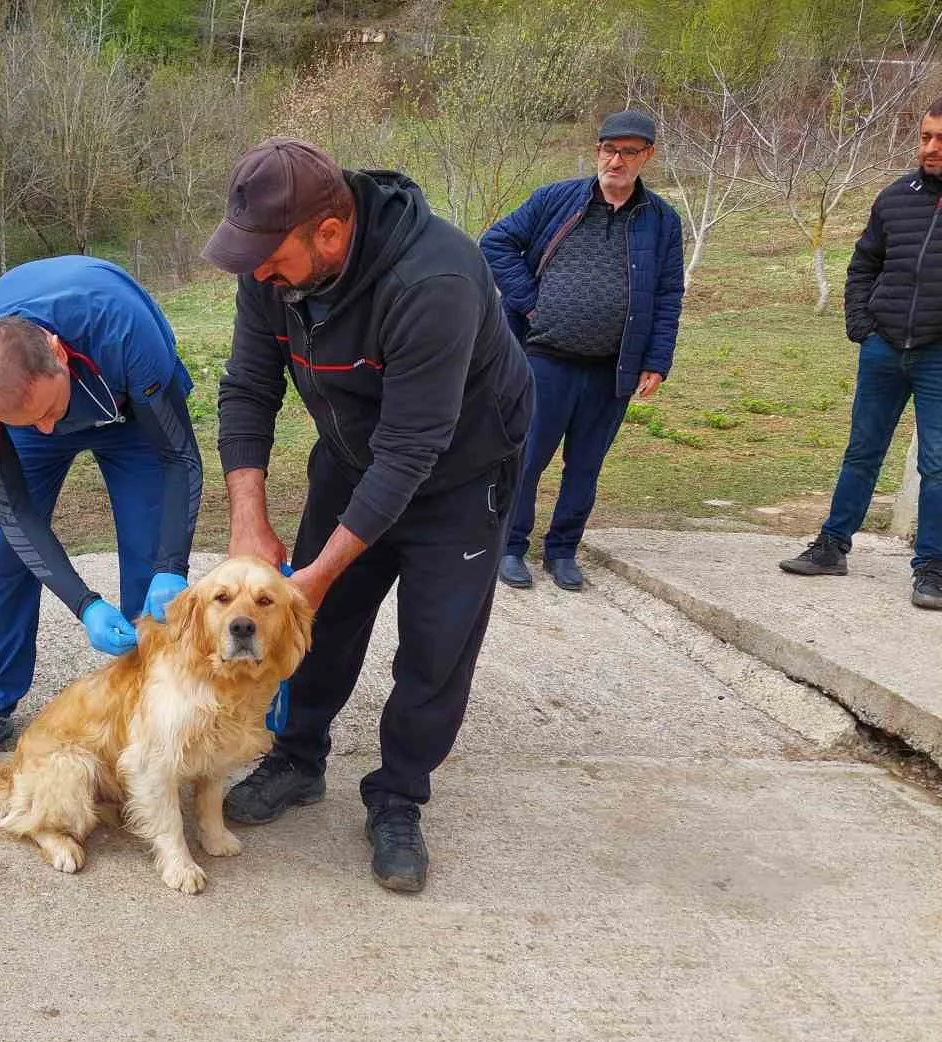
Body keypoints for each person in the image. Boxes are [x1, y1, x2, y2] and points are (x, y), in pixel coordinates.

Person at [203, 136, 533, 893]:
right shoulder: (271, 269)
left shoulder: (435, 277)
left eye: (271, 257)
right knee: (320, 625)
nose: (259, 273)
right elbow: (248, 386)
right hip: (353, 459)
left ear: (330, 232)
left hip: (459, 475)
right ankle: (297, 757)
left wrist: (315, 573)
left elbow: (414, 448)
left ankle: (398, 797)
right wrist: (248, 521)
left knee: (434, 649)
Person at [0, 255, 203, 755]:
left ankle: (153, 703)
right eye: (25, 420)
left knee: (151, 560)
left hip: (128, 410)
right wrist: (84, 604)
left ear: (56, 352)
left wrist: (172, 566)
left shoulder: (125, 328)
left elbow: (179, 458)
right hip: (47, 399)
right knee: (5, 552)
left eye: (47, 412)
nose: (46, 428)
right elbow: (11, 508)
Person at [480, 110, 685, 592]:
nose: (616, 160)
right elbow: (495, 244)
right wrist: (530, 302)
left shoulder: (661, 221)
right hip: (543, 360)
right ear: (597, 151)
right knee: (527, 458)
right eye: (609, 149)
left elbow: (669, 292)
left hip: (612, 369)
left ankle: (563, 550)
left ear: (646, 157)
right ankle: (511, 546)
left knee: (586, 466)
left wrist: (657, 360)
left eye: (629, 152)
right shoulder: (554, 200)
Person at [779, 94, 942, 611]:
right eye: (925, 136)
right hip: (883, 348)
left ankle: (930, 570)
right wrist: (863, 325)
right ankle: (832, 547)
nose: (930, 147)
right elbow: (864, 265)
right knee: (862, 452)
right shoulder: (895, 197)